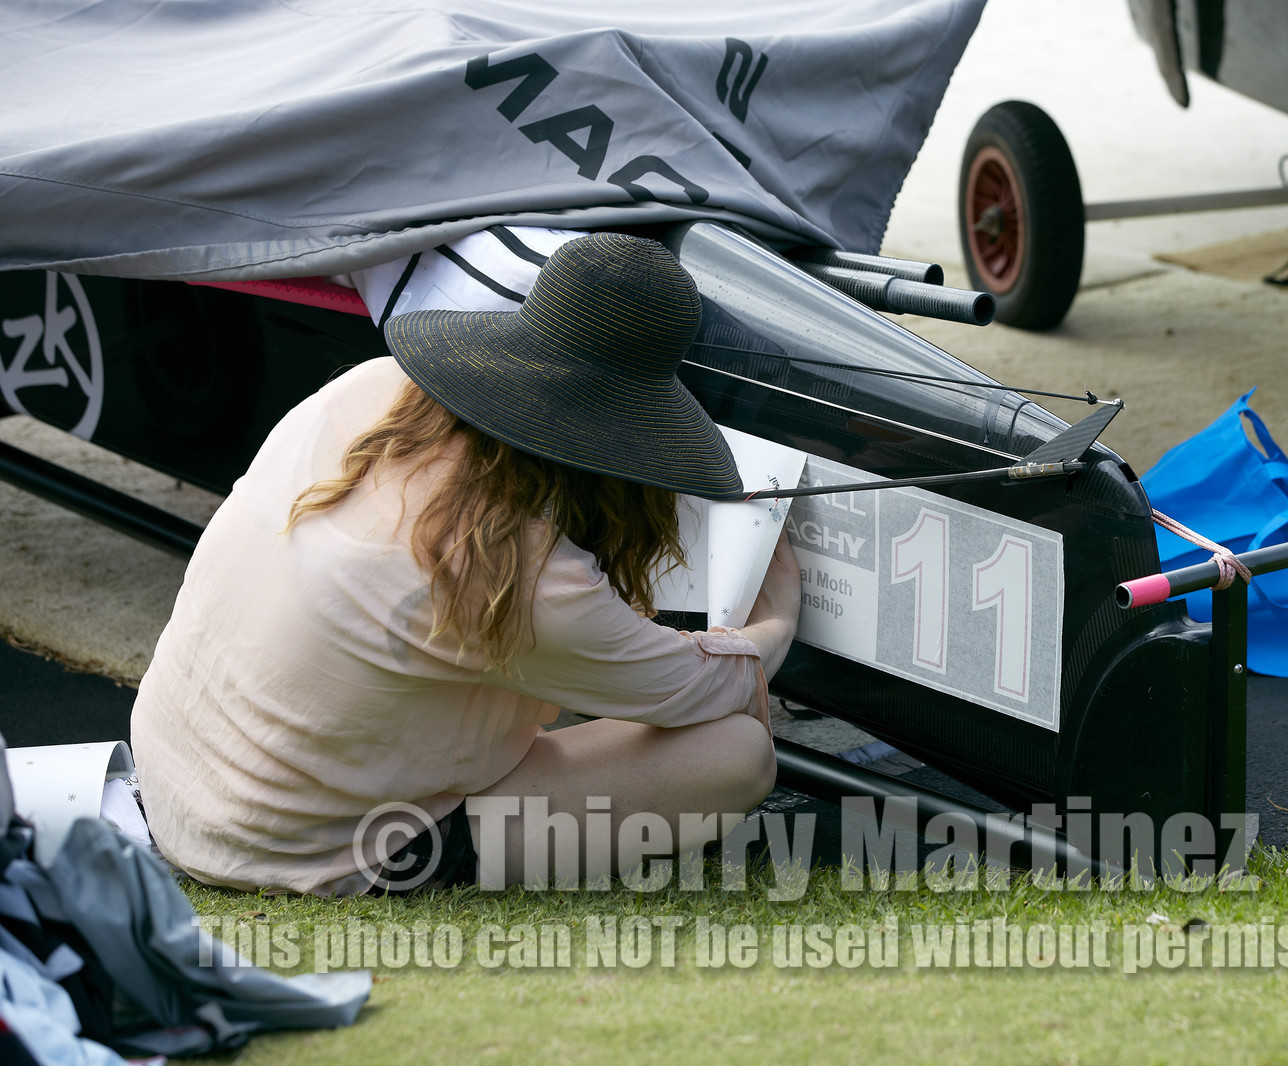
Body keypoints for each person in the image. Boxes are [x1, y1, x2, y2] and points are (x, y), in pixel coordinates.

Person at [129, 232, 801, 895]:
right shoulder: (524, 574)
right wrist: (775, 617)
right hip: (299, 845)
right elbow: (714, 689)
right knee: (735, 755)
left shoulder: (372, 390)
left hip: (172, 783)